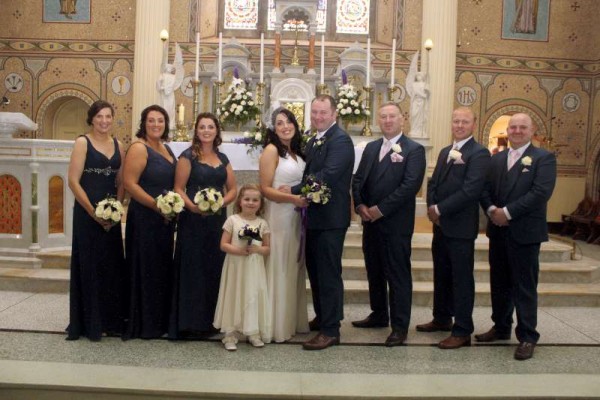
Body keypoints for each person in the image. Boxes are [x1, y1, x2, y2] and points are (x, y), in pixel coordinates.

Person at [477, 112, 556, 360]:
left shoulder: (544, 158)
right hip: (498, 231)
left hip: (525, 232)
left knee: (524, 286)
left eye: (523, 127)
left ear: (532, 131)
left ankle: (527, 336)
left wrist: (508, 213)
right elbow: (484, 189)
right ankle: (501, 327)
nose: (517, 131)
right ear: (508, 131)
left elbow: (540, 192)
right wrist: (491, 210)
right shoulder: (496, 159)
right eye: (513, 127)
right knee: (499, 283)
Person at [351, 102, 426, 346]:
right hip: (370, 222)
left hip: (395, 224)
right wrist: (360, 204)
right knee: (374, 270)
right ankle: (379, 314)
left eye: (392, 116)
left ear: (402, 119)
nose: (387, 120)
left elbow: (410, 186)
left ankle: (400, 325)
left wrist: (380, 209)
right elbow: (358, 179)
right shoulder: (371, 148)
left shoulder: (414, 150)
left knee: (397, 274)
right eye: (382, 116)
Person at [417, 107, 490, 349]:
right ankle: (441, 318)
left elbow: (471, 190)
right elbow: (434, 182)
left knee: (461, 279)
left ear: (473, 124)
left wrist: (440, 209)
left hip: (460, 227)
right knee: (442, 274)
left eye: (464, 121)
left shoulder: (479, 153)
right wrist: (431, 206)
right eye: (456, 121)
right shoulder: (446, 151)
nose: (459, 125)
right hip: (441, 226)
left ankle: (462, 330)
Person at [289, 95, 355, 350]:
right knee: (315, 272)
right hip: (315, 217)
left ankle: (331, 329)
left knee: (327, 274)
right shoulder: (315, 138)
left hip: (331, 219)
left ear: (334, 114)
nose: (318, 117)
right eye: (314, 112)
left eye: (323, 113)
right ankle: (323, 316)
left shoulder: (340, 140)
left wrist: (293, 189)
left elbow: (327, 175)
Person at [169, 113, 237, 338]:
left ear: (217, 131)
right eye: (202, 127)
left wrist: (220, 204)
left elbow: (233, 190)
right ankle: (190, 322)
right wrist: (194, 208)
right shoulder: (187, 156)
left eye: (210, 127)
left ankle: (211, 321)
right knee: (193, 267)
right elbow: (179, 188)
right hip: (193, 220)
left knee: (213, 266)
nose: (206, 131)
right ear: (196, 131)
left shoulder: (223, 158)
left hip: (217, 221)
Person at [66, 100, 126, 341]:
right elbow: (73, 181)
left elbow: (121, 182)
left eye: (108, 117)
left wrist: (116, 208)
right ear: (91, 119)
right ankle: (90, 321)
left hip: (110, 216)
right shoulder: (83, 142)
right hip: (87, 213)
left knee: (110, 266)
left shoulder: (118, 144)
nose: (104, 121)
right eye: (100, 117)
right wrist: (93, 212)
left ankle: (110, 319)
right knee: (89, 266)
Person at [123, 104, 177, 339]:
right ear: (143, 124)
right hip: (145, 217)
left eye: (160, 121)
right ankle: (145, 323)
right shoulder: (138, 147)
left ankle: (159, 319)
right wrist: (157, 206)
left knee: (160, 268)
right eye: (151, 121)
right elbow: (130, 184)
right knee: (145, 268)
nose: (156, 125)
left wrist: (171, 207)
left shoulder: (166, 148)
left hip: (164, 220)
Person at [259, 107, 310, 343]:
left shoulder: (298, 153)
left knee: (293, 266)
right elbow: (265, 189)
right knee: (279, 265)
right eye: (280, 123)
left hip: (297, 216)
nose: (285, 126)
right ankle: (275, 324)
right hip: (279, 215)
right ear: (274, 128)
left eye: (289, 122)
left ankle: (290, 320)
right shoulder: (271, 151)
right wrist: (293, 199)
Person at [213, 184, 272, 350]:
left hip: (253, 268)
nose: (251, 203)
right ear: (240, 201)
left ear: (260, 204)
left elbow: (267, 249)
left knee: (251, 296)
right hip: (235, 266)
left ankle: (253, 332)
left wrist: (257, 249)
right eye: (247, 199)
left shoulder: (262, 223)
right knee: (234, 294)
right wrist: (239, 251)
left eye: (255, 200)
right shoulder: (232, 220)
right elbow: (223, 245)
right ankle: (230, 334)